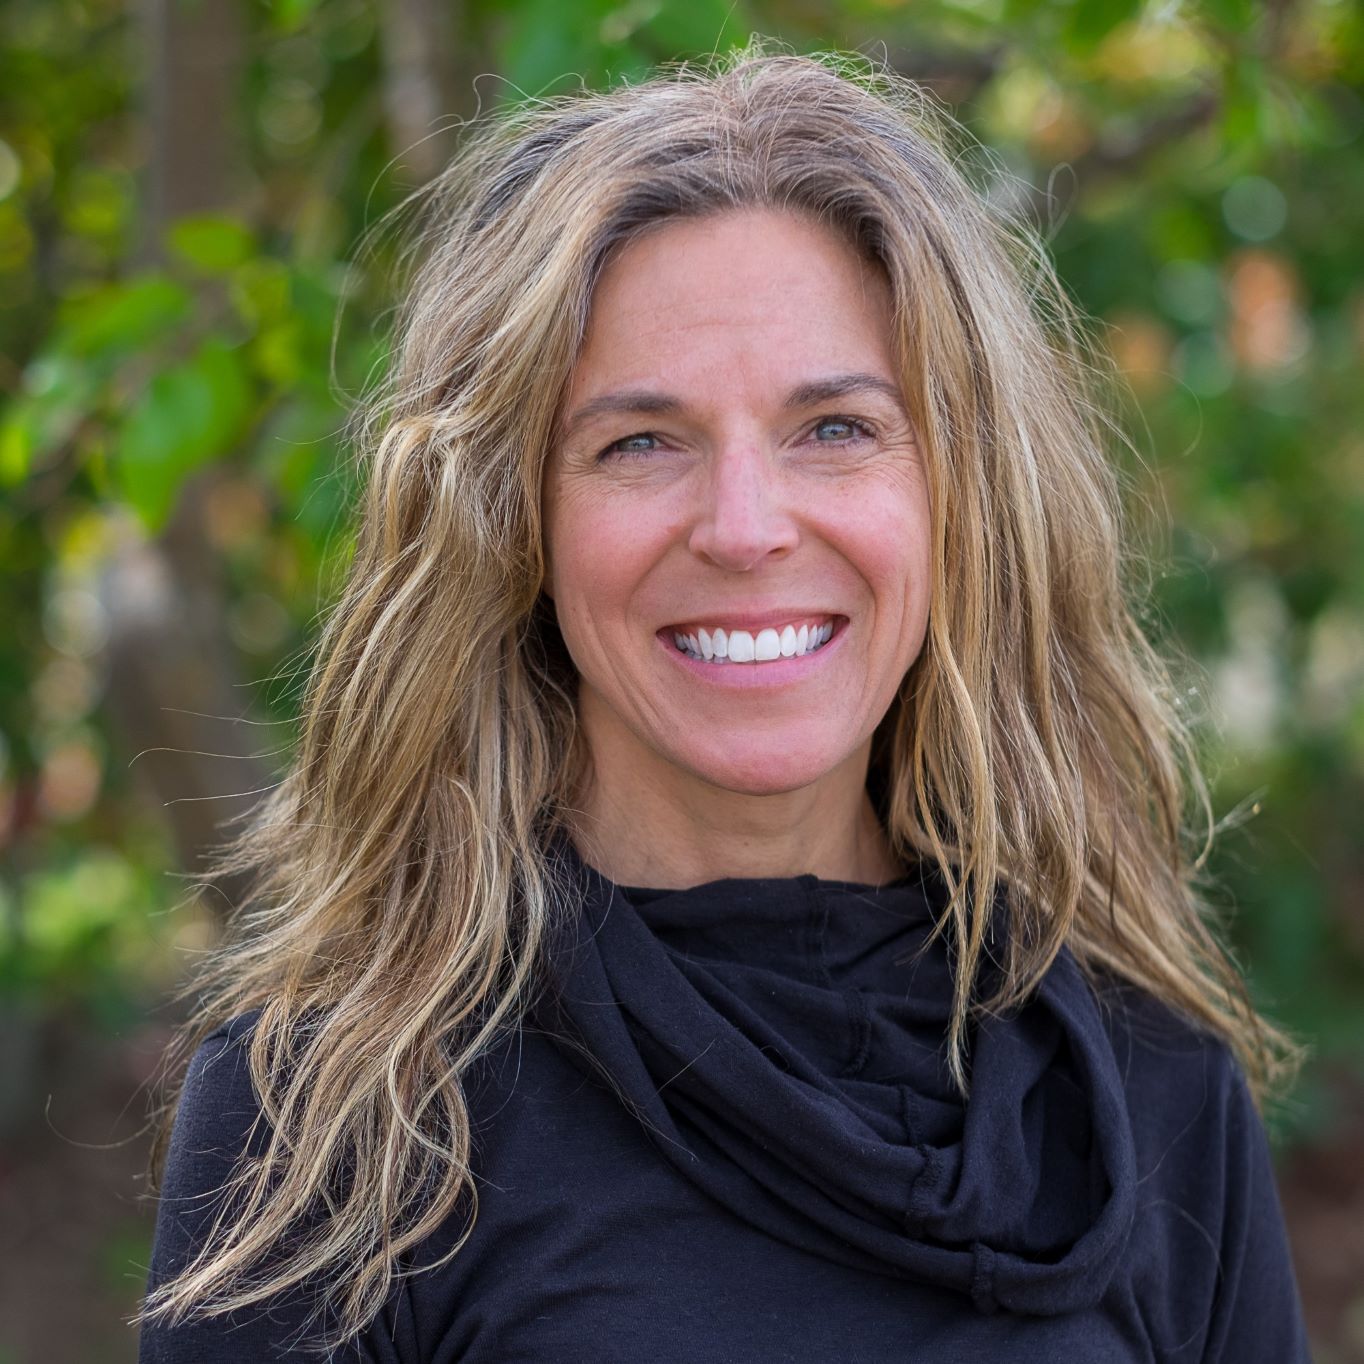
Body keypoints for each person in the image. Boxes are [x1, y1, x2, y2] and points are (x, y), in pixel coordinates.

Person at [134, 46, 1312, 1362]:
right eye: (639, 443)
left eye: (835, 429)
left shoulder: (1150, 1095)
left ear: (960, 497)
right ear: (516, 520)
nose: (746, 530)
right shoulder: (337, 1129)